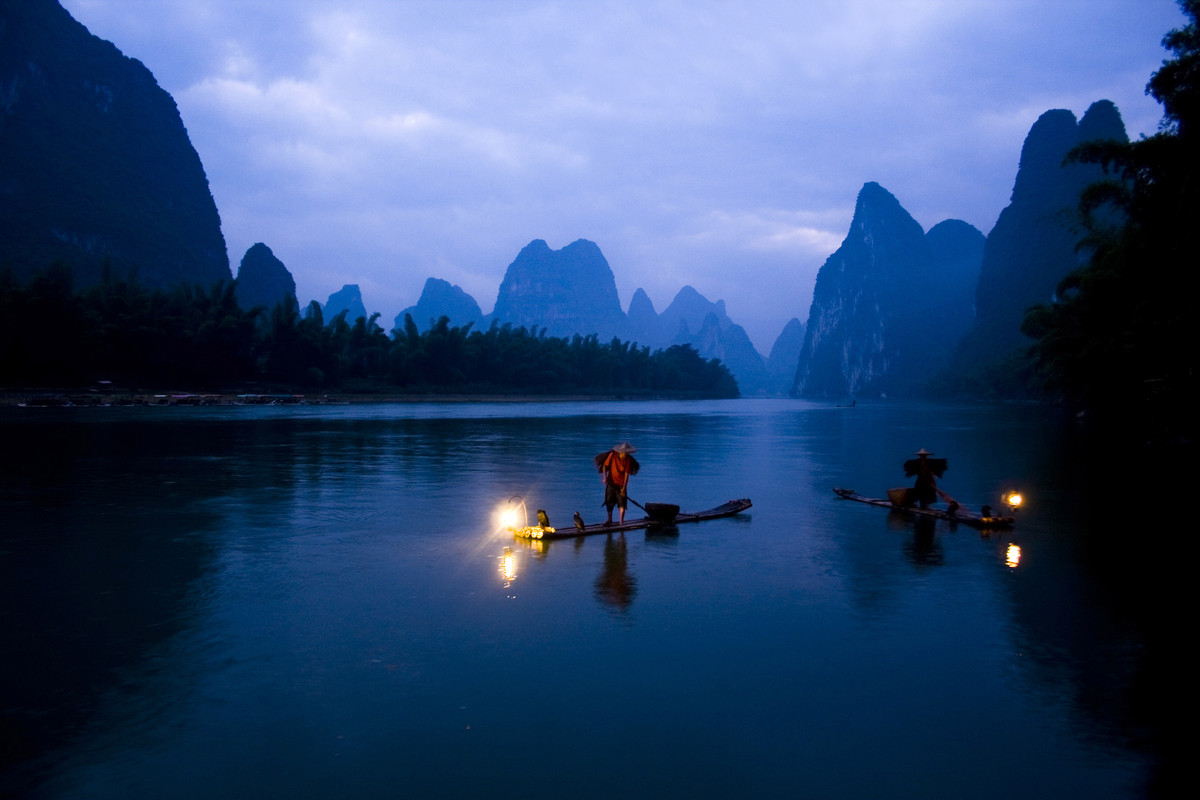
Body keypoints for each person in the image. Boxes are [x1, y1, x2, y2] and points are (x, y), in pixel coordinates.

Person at [594, 441, 640, 525]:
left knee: (622, 503)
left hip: (621, 484)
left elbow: (626, 475)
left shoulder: (628, 460)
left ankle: (621, 522)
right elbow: (605, 465)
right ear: (620, 452)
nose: (625, 455)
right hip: (611, 482)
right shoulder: (612, 455)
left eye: (627, 453)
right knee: (609, 501)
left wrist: (623, 488)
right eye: (624, 453)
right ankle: (609, 520)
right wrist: (604, 477)